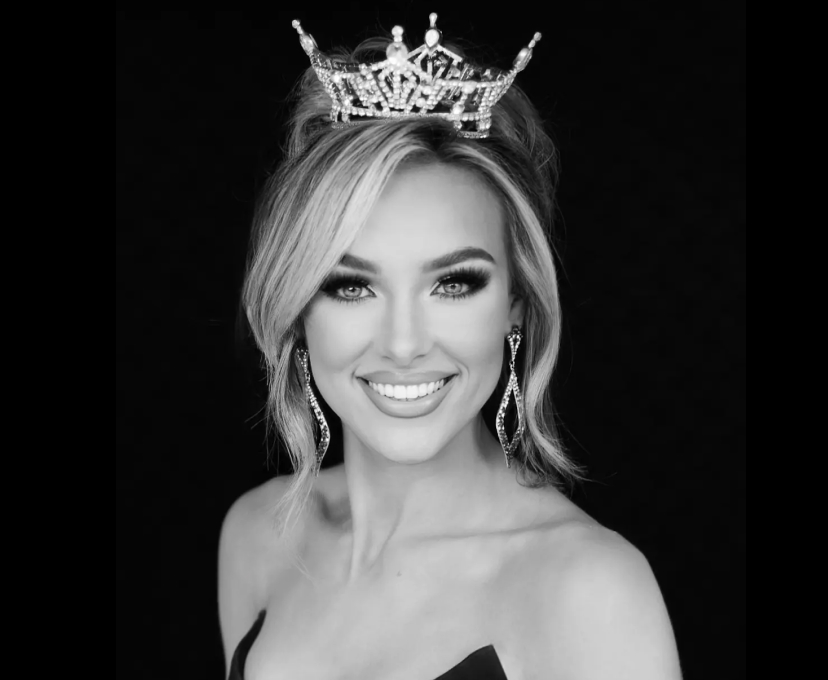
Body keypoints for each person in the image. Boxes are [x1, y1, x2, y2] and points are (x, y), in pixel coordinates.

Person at [219, 15, 682, 680]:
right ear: (296, 310)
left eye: (454, 283)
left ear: (515, 307)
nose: (404, 344)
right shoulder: (256, 537)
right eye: (351, 287)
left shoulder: (588, 592)